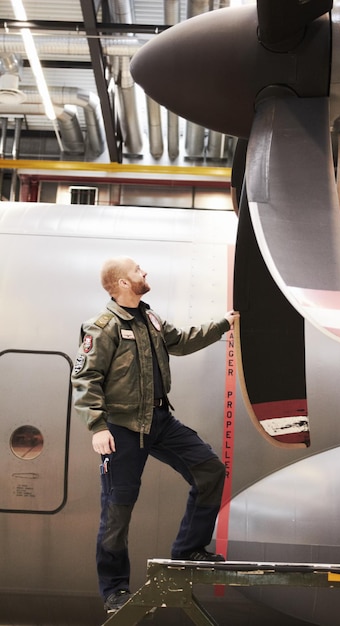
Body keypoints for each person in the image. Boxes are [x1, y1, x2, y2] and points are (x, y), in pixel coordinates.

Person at [71, 256, 238, 614]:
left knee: (210, 470)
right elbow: (85, 380)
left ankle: (188, 549)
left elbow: (181, 341)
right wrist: (97, 427)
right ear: (122, 283)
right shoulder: (102, 327)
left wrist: (223, 323)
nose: (144, 272)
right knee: (118, 510)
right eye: (137, 270)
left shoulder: (150, 318)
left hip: (159, 421)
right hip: (122, 428)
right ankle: (115, 591)